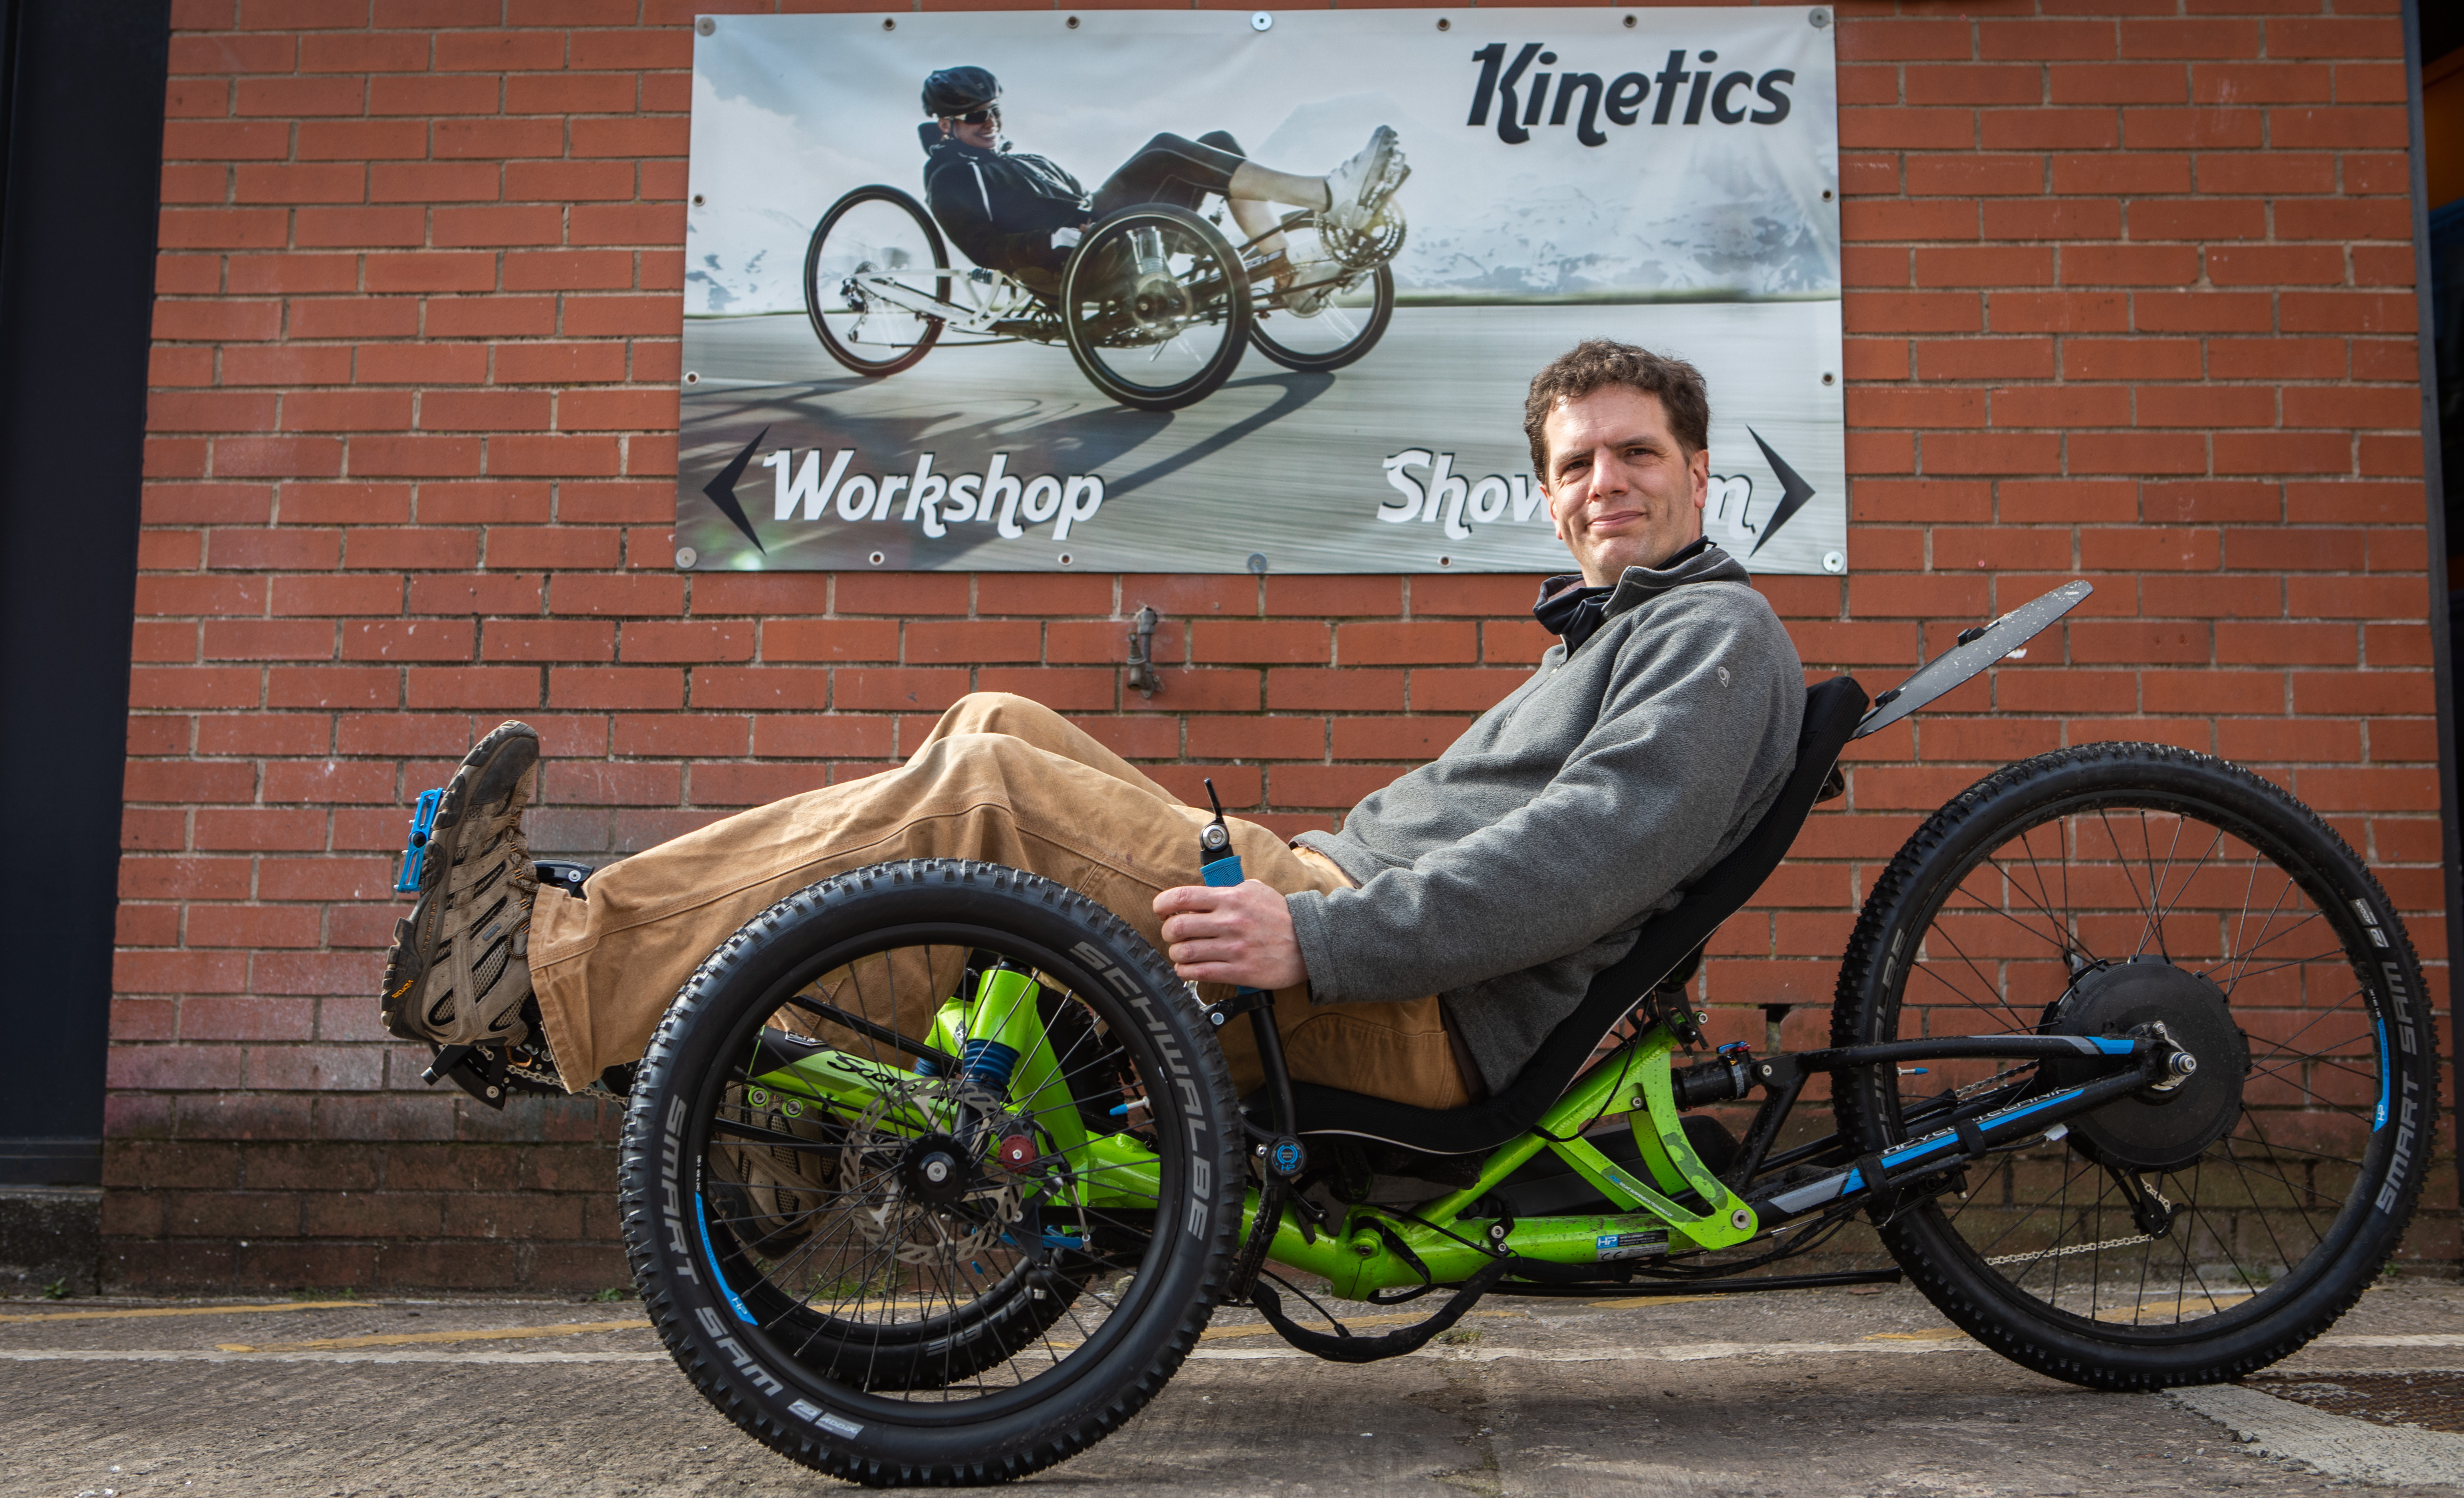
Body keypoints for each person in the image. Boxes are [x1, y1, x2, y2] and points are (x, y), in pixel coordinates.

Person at [379, 338, 1804, 1114]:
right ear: (1549, 493)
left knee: (985, 795)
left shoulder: (1712, 630)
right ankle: (829, 1092)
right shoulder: (1609, 632)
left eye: (1635, 453)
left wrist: (1317, 937)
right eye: (1576, 461)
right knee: (993, 715)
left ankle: (540, 974)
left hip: (1402, 995)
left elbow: (1601, 846)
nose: (1604, 479)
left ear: (1694, 471)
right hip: (1340, 909)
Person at [913, 64, 1406, 305]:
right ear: (945, 126)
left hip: (1104, 231)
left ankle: (1289, 280)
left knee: (1216, 142)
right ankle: (1327, 195)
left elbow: (1080, 194)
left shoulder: (1022, 158)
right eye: (976, 116)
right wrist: (1047, 241)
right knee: (1165, 149)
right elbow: (980, 245)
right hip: (1074, 260)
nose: (990, 123)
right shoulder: (953, 174)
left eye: (994, 111)